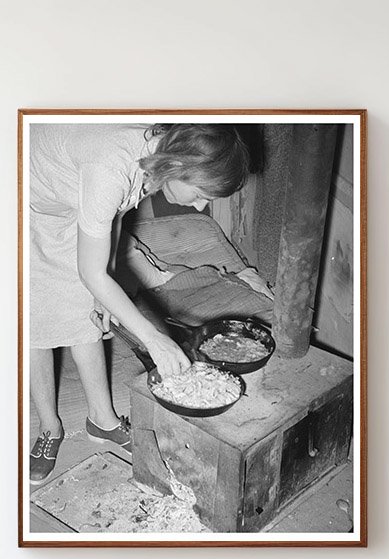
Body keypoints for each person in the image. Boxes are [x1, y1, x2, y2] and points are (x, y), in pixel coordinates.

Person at [26, 122, 251, 483]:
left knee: (86, 308)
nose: (201, 205)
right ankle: (49, 426)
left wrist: (106, 291)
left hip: (73, 200)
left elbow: (113, 216)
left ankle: (102, 420)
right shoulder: (110, 167)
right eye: (199, 194)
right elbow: (92, 269)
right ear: (179, 168)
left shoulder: (156, 155)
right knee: (36, 322)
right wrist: (153, 338)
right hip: (27, 199)